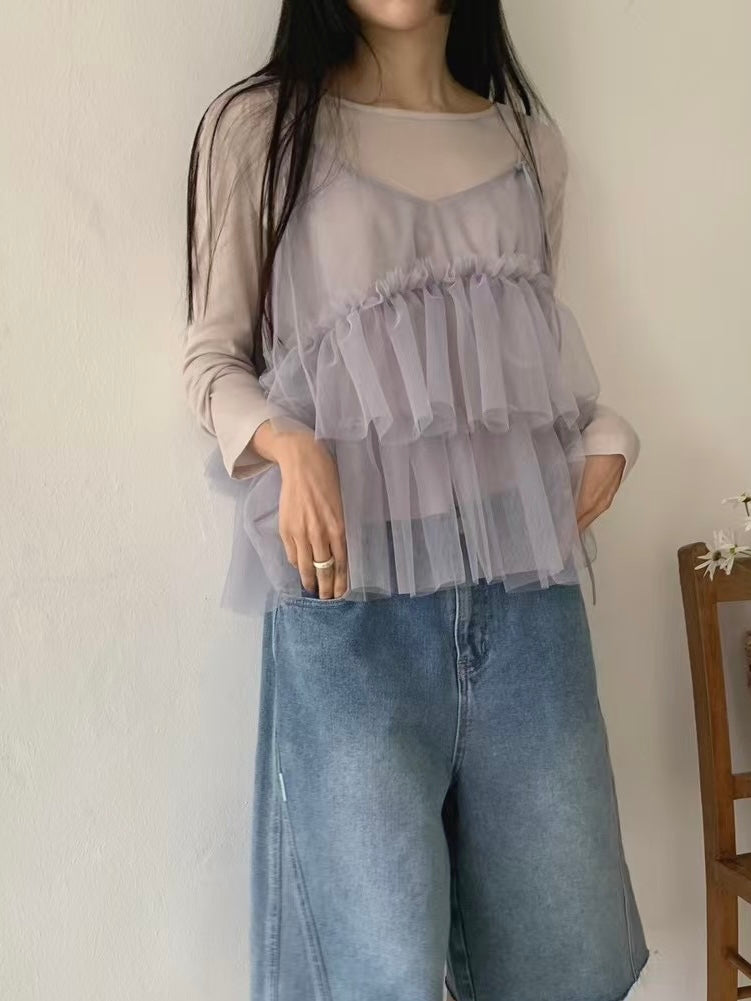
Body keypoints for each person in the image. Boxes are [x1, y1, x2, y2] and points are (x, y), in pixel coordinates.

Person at [181, 2, 650, 998]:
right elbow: (212, 362)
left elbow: (503, 375)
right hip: (350, 604)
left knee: (568, 956)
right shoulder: (262, 130)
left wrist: (607, 431)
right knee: (370, 971)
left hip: (527, 606)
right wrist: (286, 442)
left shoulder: (527, 146)